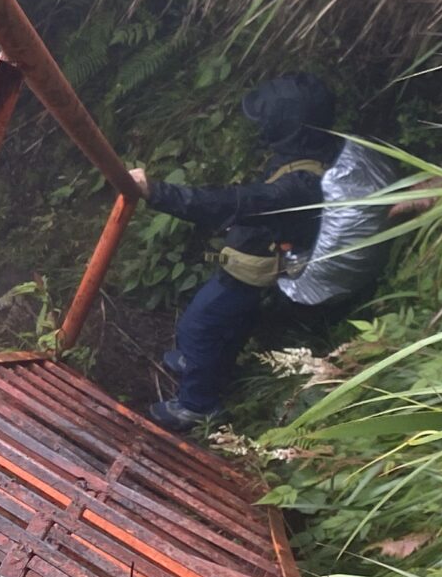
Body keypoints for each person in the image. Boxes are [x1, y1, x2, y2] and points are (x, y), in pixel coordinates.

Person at [127, 74, 339, 433]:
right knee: (228, 327)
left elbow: (234, 203)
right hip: (257, 261)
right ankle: (207, 366)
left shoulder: (297, 187)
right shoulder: (309, 154)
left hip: (253, 272)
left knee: (198, 327)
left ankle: (197, 405)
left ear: (288, 127)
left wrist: (157, 193)